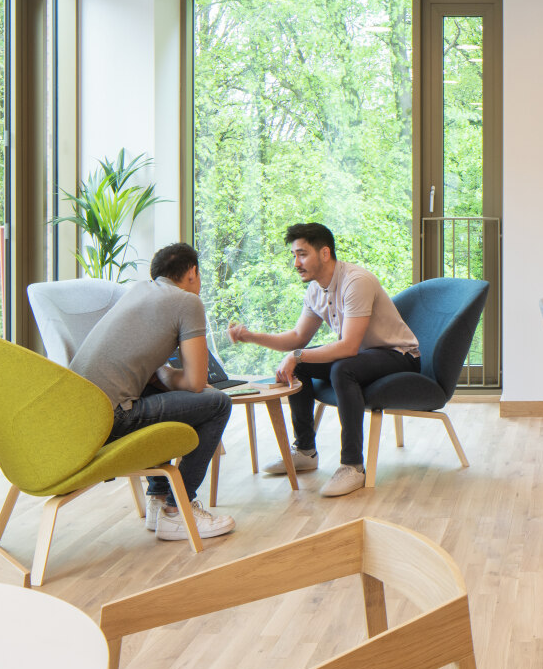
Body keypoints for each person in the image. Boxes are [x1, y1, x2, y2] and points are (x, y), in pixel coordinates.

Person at [229, 223, 420, 498]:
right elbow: (297, 338)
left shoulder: (357, 282)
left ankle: (352, 465)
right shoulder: (316, 290)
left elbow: (349, 347)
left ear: (325, 253)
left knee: (342, 368)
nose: (296, 263)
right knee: (303, 365)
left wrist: (296, 356)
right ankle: (305, 450)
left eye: (302, 254)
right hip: (365, 356)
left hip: (399, 355)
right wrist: (252, 337)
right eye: (294, 255)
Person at [70, 242, 235, 541]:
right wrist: (180, 379)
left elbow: (156, 373)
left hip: (81, 418)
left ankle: (159, 499)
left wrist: (169, 376)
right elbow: (197, 382)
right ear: (192, 273)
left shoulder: (137, 291)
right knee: (218, 403)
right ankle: (177, 511)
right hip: (112, 420)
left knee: (148, 388)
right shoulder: (187, 301)